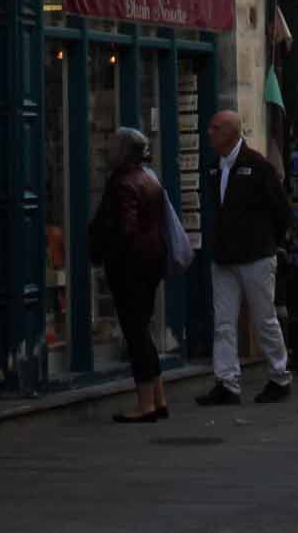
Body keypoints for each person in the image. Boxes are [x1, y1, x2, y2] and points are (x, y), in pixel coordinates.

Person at [197, 109, 293, 406]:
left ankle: (279, 376)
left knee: (264, 318)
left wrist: (268, 244)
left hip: (255, 256)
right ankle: (227, 382)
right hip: (224, 257)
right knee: (224, 322)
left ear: (231, 132)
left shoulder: (258, 166)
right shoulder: (213, 168)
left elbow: (281, 211)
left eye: (214, 128)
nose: (209, 132)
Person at [87, 127, 170, 424]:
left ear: (123, 152)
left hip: (131, 268)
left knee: (135, 334)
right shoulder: (149, 178)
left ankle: (145, 404)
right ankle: (158, 398)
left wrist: (105, 249)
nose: (107, 151)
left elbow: (125, 227)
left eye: (112, 146)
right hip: (151, 263)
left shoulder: (123, 183)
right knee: (142, 332)